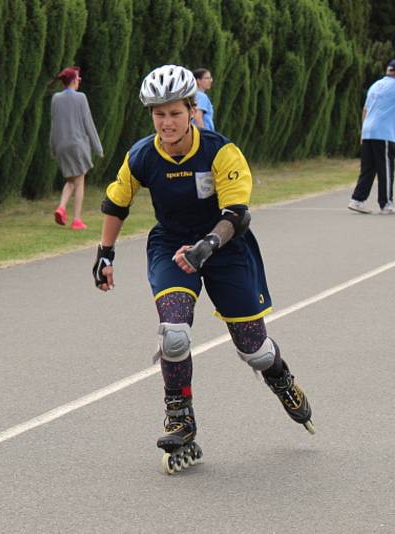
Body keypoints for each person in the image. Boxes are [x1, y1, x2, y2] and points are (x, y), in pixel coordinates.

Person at [92, 65, 314, 474]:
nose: (166, 123)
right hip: (171, 246)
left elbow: (236, 214)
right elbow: (117, 202)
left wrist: (207, 245)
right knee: (174, 334)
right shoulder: (142, 154)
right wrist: (105, 253)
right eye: (158, 114)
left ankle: (281, 379)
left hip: (224, 247)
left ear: (192, 110)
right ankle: (181, 418)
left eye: (174, 113)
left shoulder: (220, 151)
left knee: (255, 349)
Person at [49, 66, 104, 230]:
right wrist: (98, 147)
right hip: (77, 144)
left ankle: (61, 207)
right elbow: (88, 123)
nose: (80, 80)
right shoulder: (81, 98)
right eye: (78, 78)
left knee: (71, 180)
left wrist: (53, 147)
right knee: (80, 181)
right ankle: (77, 220)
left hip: (61, 145)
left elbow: (54, 124)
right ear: (74, 80)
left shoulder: (56, 98)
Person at [348, 59, 395, 214]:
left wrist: (362, 132)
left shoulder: (375, 85)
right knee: (385, 169)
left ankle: (357, 200)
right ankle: (386, 203)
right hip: (384, 133)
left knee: (368, 168)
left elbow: (365, 109)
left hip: (368, 131)